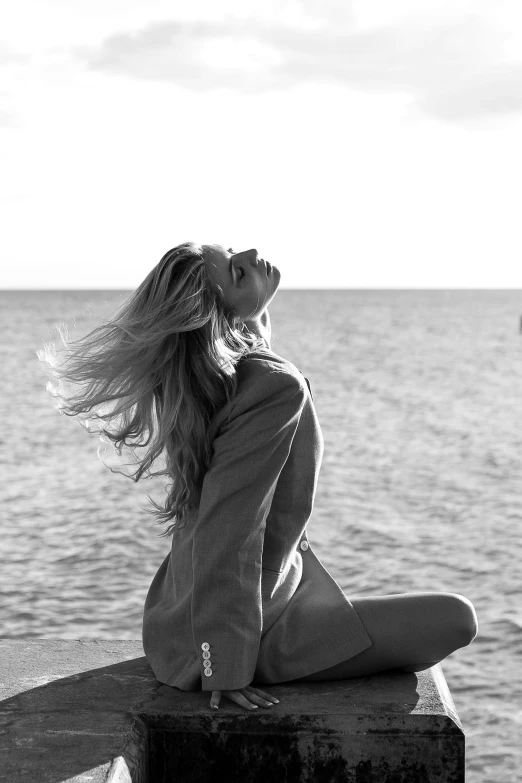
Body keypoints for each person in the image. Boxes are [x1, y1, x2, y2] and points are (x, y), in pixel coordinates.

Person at [38, 242, 478, 713]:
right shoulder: (270, 386)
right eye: (235, 269)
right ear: (219, 309)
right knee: (457, 619)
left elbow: (244, 358)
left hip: (178, 614)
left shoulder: (212, 378)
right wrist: (224, 667)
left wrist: (249, 313)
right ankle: (256, 648)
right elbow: (231, 528)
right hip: (241, 628)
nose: (249, 253)